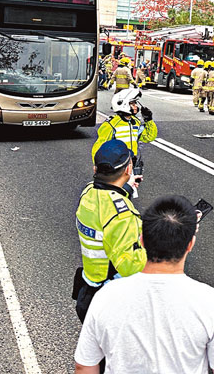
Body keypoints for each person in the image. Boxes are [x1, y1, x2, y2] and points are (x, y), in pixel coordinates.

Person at [74, 195, 214, 374]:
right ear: (190, 244)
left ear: (141, 240)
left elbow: (84, 366)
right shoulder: (211, 302)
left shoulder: (106, 296)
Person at [73, 139, 146, 325]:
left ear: (95, 169)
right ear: (128, 170)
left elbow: (104, 195)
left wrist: (127, 187)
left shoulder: (88, 193)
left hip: (88, 290)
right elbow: (129, 267)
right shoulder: (122, 216)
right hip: (111, 299)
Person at [92, 88, 157, 194]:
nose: (136, 106)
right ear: (123, 104)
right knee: (115, 193)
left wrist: (148, 120)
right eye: (133, 103)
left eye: (135, 103)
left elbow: (149, 137)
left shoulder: (135, 122)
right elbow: (99, 147)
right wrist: (99, 168)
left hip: (130, 165)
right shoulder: (111, 125)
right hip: (116, 166)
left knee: (129, 192)